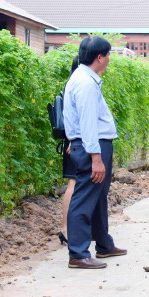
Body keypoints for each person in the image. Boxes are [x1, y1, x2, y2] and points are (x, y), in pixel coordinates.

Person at [62, 36, 125, 269]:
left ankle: (104, 245)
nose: (109, 59)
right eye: (108, 55)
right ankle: (78, 253)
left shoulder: (84, 78)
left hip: (91, 144)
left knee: (98, 197)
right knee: (84, 199)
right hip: (93, 147)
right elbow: (87, 123)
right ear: (99, 57)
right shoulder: (86, 83)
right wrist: (95, 158)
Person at [57, 55, 81, 245]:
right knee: (73, 184)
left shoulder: (72, 84)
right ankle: (65, 229)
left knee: (75, 184)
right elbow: (72, 117)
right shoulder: (77, 85)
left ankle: (69, 228)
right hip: (74, 142)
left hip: (73, 140)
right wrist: (73, 140)